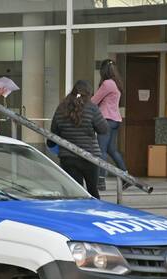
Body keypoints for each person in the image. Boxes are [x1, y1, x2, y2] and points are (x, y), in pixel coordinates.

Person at [50, 80, 108, 199]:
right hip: (89, 157)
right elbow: (103, 129)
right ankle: (94, 214)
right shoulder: (92, 108)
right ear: (89, 93)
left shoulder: (61, 108)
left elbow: (53, 132)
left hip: (68, 157)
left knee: (75, 193)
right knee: (92, 191)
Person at [91, 59, 127, 190]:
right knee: (112, 150)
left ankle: (101, 181)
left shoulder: (107, 84)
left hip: (106, 120)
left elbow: (94, 100)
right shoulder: (117, 83)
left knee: (102, 150)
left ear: (103, 71)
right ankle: (126, 177)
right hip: (116, 120)